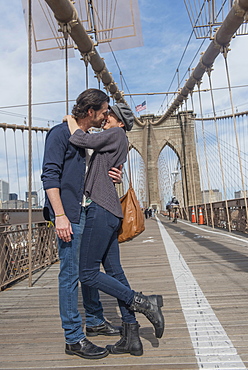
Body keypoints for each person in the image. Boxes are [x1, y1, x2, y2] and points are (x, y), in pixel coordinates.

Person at [67, 103, 165, 357]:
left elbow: (78, 138)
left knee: (87, 274)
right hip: (109, 209)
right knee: (114, 272)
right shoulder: (114, 138)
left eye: (109, 115)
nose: (104, 118)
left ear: (120, 122)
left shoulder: (117, 134)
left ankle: (143, 302)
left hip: (101, 209)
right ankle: (131, 335)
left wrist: (70, 119)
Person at [41, 89, 124, 360]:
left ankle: (96, 320)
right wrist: (60, 216)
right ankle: (74, 338)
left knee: (88, 269)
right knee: (70, 274)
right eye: (103, 112)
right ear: (91, 112)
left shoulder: (90, 139)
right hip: (69, 214)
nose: (106, 116)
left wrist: (115, 175)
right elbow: (50, 177)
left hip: (90, 211)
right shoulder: (59, 134)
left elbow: (95, 174)